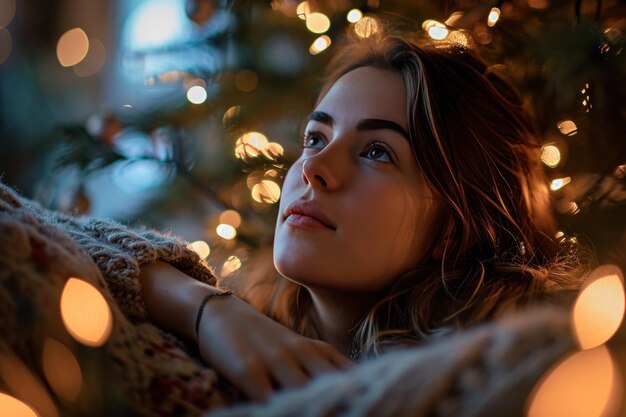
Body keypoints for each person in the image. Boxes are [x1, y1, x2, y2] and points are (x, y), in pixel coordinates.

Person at [136, 30, 588, 403]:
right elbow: (68, 242)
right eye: (315, 138)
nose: (313, 169)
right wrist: (207, 309)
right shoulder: (215, 331)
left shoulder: (513, 379)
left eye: (377, 152)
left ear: (453, 229)